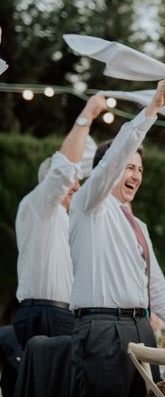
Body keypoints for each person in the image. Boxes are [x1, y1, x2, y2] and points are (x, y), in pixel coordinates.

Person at [68, 78, 165, 397]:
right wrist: (151, 110)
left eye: (140, 170)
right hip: (101, 330)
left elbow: (157, 289)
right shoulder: (88, 205)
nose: (135, 175)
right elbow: (112, 161)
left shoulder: (139, 226)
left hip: (142, 328)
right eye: (128, 167)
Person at [12, 95, 107, 348]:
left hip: (68, 316)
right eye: (71, 183)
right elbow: (63, 172)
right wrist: (86, 116)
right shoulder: (38, 206)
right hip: (43, 315)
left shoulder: (69, 219)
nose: (76, 187)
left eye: (79, 182)